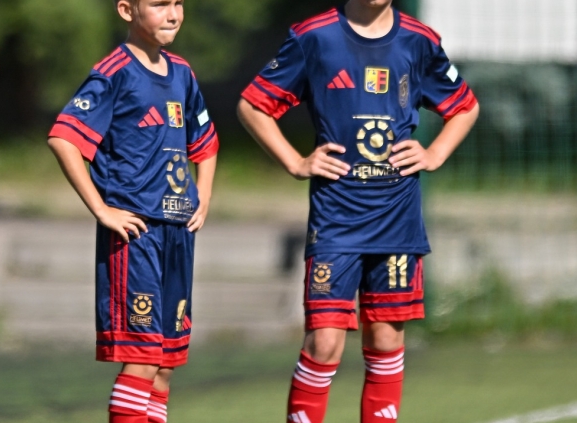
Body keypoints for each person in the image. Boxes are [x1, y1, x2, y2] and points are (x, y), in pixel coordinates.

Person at [236, 1, 479, 422]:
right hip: (336, 220)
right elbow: (253, 106)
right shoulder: (314, 37)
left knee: (385, 340)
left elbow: (464, 106)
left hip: (397, 220)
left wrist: (435, 152)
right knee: (324, 343)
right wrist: (295, 162)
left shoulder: (418, 40)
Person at [47, 1, 218, 421]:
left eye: (178, 3)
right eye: (159, 4)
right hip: (136, 234)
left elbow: (206, 142)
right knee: (142, 358)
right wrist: (102, 209)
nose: (173, 14)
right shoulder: (115, 72)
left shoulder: (183, 73)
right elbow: (64, 138)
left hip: (178, 233)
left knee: (165, 364)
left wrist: (203, 196)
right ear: (127, 10)